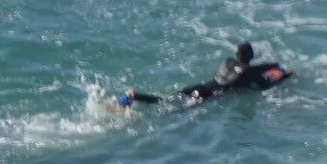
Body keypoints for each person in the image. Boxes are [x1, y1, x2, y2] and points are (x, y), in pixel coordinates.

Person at [118, 41, 289, 108]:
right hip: (208, 96)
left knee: (164, 101)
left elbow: (255, 69)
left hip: (201, 86)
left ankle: (132, 96)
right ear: (251, 57)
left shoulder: (228, 62)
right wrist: (287, 76)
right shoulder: (249, 73)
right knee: (167, 111)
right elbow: (264, 85)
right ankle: (134, 100)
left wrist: (269, 66)